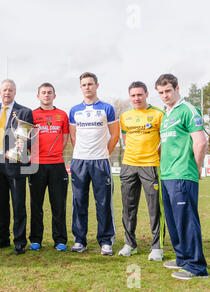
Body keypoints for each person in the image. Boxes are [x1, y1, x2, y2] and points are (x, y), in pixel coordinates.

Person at [155, 73, 208, 280]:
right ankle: (182, 258)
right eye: (161, 92)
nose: (165, 95)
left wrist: (195, 168)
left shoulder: (188, 110)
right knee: (173, 220)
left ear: (177, 89)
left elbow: (200, 142)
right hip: (167, 174)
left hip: (183, 173)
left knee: (186, 220)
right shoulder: (166, 114)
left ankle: (197, 267)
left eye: (168, 91)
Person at [69, 72, 119, 255]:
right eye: (84, 84)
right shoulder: (74, 110)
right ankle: (79, 240)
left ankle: (106, 240)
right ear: (81, 87)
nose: (87, 87)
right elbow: (73, 137)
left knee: (103, 203)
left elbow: (114, 135)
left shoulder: (107, 108)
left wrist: (104, 152)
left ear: (97, 85)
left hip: (100, 162)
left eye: (90, 84)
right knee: (78, 202)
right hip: (79, 162)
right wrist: (83, 153)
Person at [118, 81, 165, 261]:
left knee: (154, 208)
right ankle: (130, 244)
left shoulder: (159, 114)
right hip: (128, 165)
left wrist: (154, 156)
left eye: (139, 95)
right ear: (129, 97)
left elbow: (164, 141)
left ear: (146, 94)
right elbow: (125, 140)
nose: (136, 98)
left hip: (151, 165)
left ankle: (156, 247)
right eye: (133, 95)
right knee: (128, 208)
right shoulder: (125, 116)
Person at [0, 79, 33, 255]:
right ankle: (3, 238)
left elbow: (28, 137)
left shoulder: (24, 111)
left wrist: (24, 143)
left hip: (15, 164)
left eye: (11, 90)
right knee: (1, 203)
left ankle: (20, 241)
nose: (7, 93)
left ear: (15, 92)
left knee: (18, 204)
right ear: (0, 92)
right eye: (5, 90)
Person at [29, 83, 69, 252]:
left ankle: (60, 239)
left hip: (57, 165)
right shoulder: (31, 115)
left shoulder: (62, 115)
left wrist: (54, 154)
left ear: (54, 95)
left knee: (58, 205)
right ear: (38, 96)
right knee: (36, 205)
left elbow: (65, 139)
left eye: (49, 92)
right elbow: (27, 139)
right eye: (43, 93)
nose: (46, 95)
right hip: (37, 166)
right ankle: (36, 239)